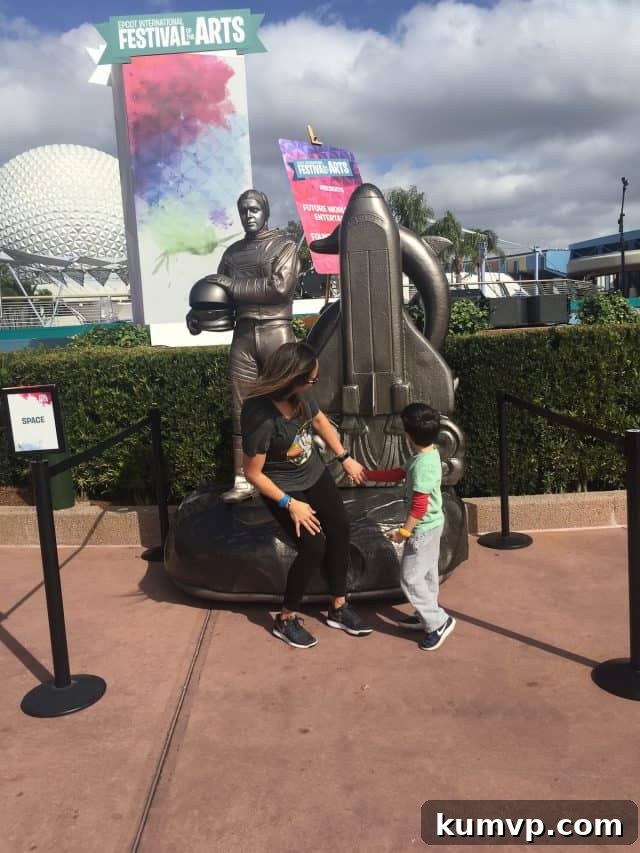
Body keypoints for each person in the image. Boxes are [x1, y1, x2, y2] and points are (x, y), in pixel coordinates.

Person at [241, 341, 373, 648]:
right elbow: (253, 474)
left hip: (313, 472)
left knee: (339, 527)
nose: (313, 384)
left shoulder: (299, 394)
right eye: (311, 380)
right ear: (291, 379)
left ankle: (338, 607)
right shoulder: (260, 417)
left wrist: (345, 457)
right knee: (313, 546)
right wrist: (290, 504)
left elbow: (319, 421)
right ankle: (285, 618)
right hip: (282, 486)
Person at [188, 189, 300, 503]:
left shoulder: (284, 246)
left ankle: (295, 469)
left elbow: (279, 287)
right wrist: (196, 316)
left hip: (277, 331)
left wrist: (233, 285)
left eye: (254, 210)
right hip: (244, 335)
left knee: (287, 404)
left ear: (265, 211)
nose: (248, 216)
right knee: (242, 409)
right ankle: (243, 476)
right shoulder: (233, 254)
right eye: (243, 211)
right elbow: (218, 296)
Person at [364, 403, 455, 651]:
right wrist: (367, 475)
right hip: (432, 525)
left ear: (407, 435)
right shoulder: (425, 454)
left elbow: (418, 506)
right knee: (426, 574)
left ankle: (438, 622)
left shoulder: (423, 465)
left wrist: (404, 532)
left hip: (422, 530)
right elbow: (397, 474)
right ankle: (425, 613)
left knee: (410, 578)